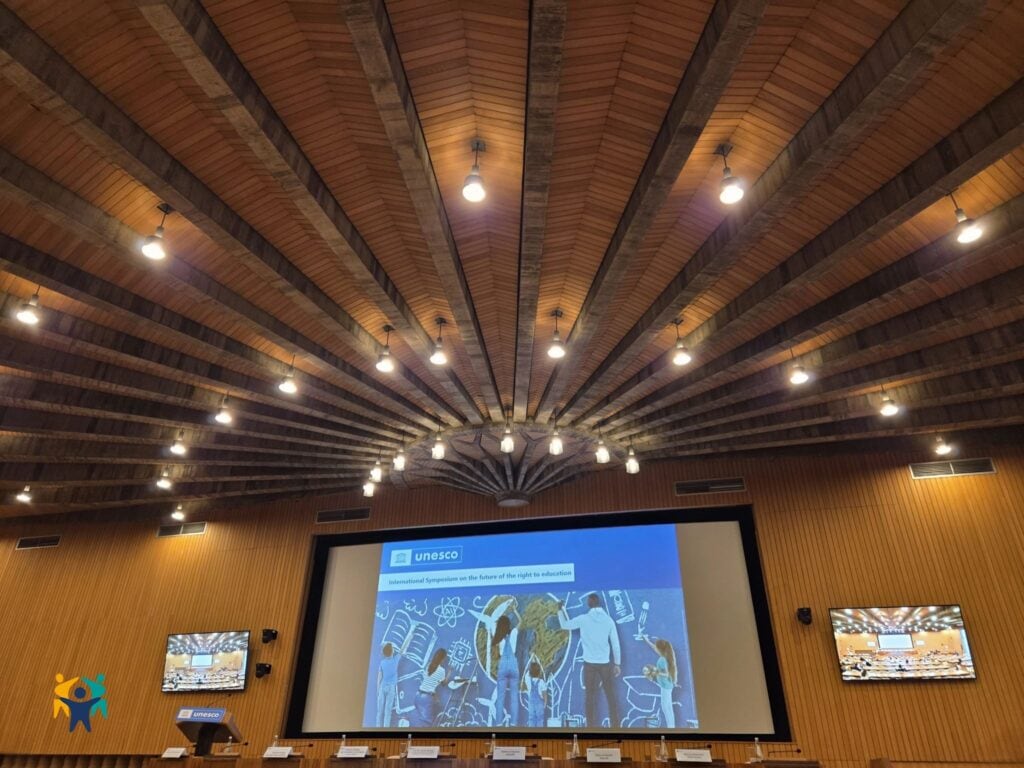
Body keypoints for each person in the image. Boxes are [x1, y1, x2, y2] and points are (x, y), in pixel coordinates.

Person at [558, 593, 621, 728]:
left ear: (589, 604)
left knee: (590, 697)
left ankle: (591, 727)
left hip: (589, 664)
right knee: (610, 695)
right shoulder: (609, 621)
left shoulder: (583, 619)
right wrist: (617, 663)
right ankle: (616, 725)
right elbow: (615, 644)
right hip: (605, 663)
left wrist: (560, 610)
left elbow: (564, 625)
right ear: (599, 603)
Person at [493, 603, 522, 726]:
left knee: (500, 697)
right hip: (514, 665)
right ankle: (514, 724)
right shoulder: (514, 632)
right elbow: (521, 621)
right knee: (514, 697)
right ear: (509, 624)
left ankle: (499, 724)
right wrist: (515, 610)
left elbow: (497, 655)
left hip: (503, 664)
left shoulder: (498, 637)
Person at [642, 636, 677, 728]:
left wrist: (656, 671)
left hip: (665, 686)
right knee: (668, 707)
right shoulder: (665, 656)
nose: (655, 648)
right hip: (667, 685)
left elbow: (666, 673)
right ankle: (671, 726)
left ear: (660, 649)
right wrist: (647, 641)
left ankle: (671, 727)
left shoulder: (662, 660)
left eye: (657, 647)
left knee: (666, 707)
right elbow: (654, 648)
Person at [414, 648, 448, 727]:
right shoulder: (441, 670)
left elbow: (426, 678)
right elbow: (444, 683)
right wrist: (450, 671)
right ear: (442, 659)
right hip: (427, 698)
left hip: (418, 695)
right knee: (426, 724)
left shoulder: (429, 665)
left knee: (419, 722)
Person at [376, 642, 401, 727]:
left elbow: (379, 677)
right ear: (392, 651)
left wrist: (378, 689)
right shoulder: (396, 660)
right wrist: (410, 637)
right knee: (388, 711)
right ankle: (385, 729)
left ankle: (377, 728)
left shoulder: (382, 662)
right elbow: (403, 649)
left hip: (382, 687)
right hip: (391, 688)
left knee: (380, 711)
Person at [523, 658, 548, 728]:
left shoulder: (528, 680)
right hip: (540, 704)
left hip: (531, 703)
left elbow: (527, 673)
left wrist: (531, 662)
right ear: (539, 672)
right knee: (540, 720)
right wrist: (545, 703)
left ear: (530, 672)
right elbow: (545, 694)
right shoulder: (542, 682)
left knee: (531, 719)